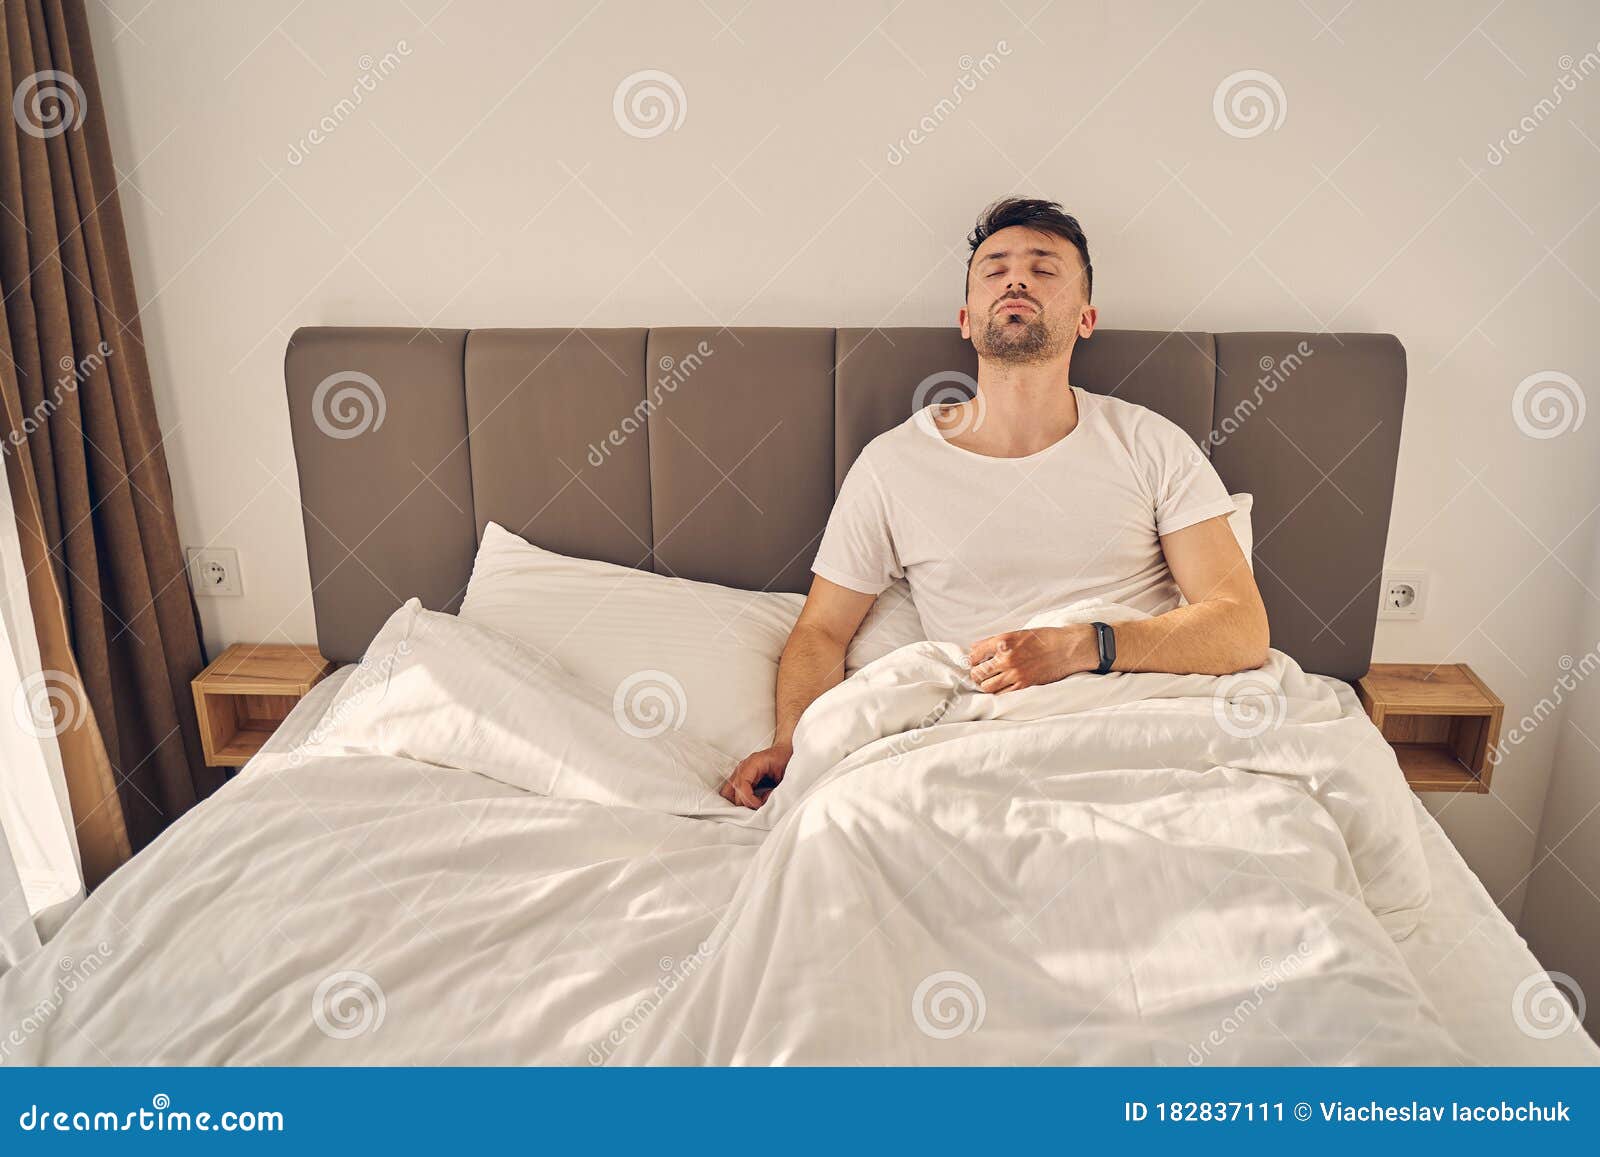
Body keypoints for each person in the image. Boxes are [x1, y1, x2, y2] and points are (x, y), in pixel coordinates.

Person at [720, 197, 1269, 809]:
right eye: (995, 268)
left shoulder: (1149, 444)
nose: (1016, 278)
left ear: (1086, 318)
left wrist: (1083, 646)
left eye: (1044, 268)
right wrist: (794, 743)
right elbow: (822, 630)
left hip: (1141, 720)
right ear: (966, 318)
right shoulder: (893, 465)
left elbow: (1240, 627)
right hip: (976, 740)